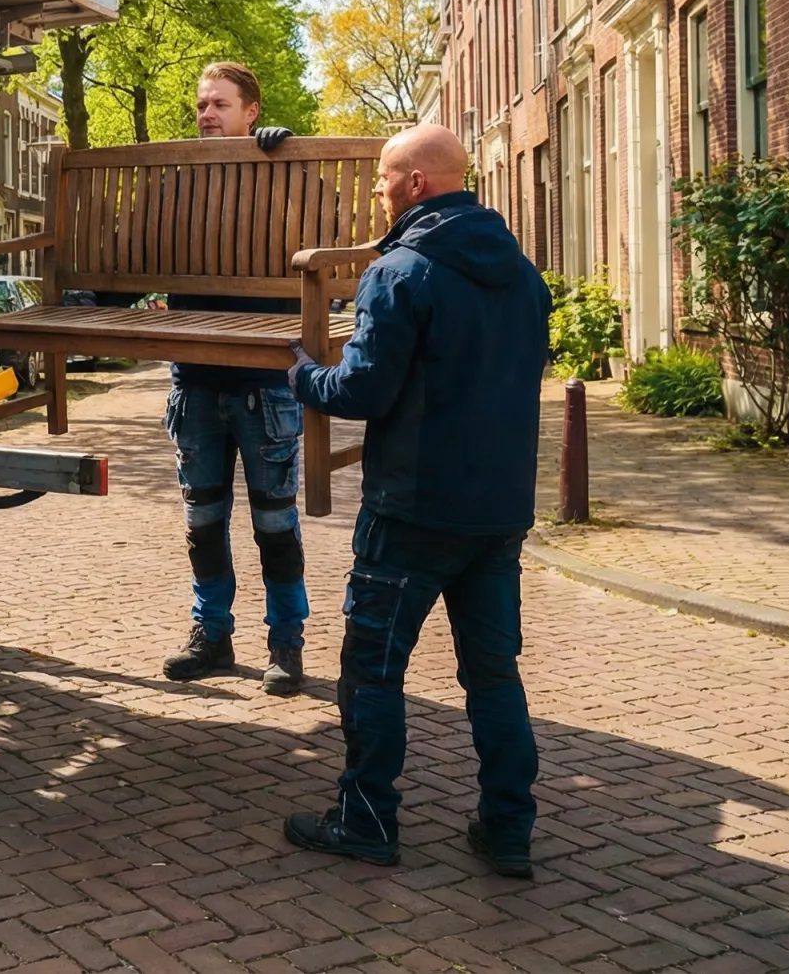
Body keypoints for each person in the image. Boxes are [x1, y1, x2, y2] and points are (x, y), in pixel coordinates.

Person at [283, 124, 551, 877]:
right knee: (493, 675)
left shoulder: (402, 271)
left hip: (412, 511)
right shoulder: (525, 274)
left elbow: (363, 390)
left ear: (416, 185)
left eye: (381, 178)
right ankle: (507, 831)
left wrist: (302, 372)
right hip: (499, 512)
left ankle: (365, 820)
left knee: (372, 669)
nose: (375, 190)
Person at [160, 61, 308, 696]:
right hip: (195, 379)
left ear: (252, 111)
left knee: (275, 522)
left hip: (264, 380)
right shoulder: (179, 185)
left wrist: (282, 159)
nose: (207, 114)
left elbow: (321, 231)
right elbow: (138, 254)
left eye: (220, 104)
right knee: (203, 521)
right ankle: (212, 635)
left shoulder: (283, 175)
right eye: (202, 105)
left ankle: (285, 643)